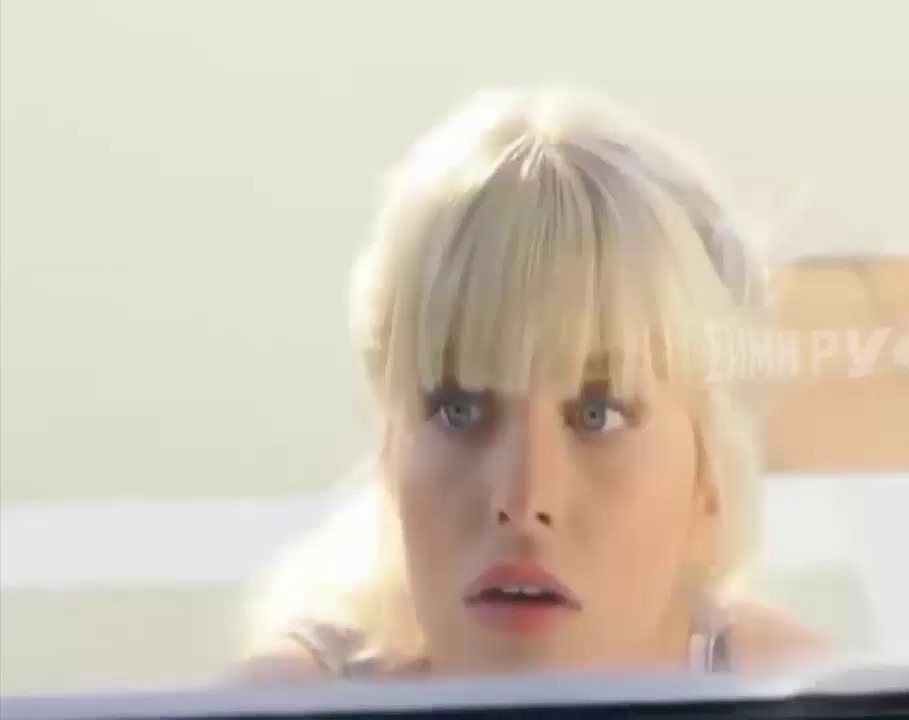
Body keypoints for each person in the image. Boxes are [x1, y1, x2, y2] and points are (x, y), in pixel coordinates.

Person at [235, 86, 828, 682]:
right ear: (391, 453)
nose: (521, 501)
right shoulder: (288, 705)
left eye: (597, 413)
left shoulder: (795, 689)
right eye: (460, 410)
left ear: (710, 474)